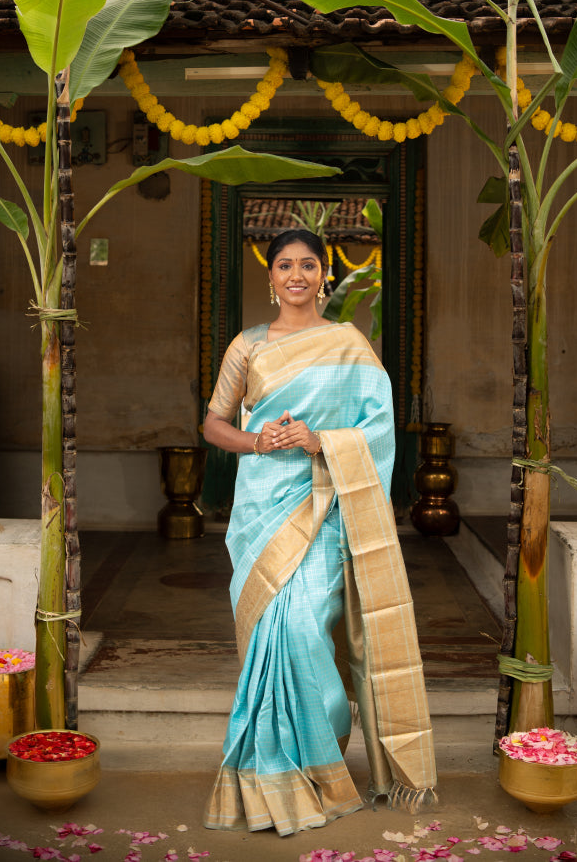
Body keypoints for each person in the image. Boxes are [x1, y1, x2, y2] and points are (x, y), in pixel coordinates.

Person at [202, 228, 436, 837]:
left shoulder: (349, 344)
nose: (297, 275)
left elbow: (379, 426)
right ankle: (282, 769)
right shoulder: (247, 347)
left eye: (309, 265)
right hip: (262, 509)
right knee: (266, 635)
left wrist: (320, 440)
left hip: (329, 504)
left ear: (324, 275)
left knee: (305, 627)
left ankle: (319, 750)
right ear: (271, 276)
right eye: (285, 265)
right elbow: (212, 424)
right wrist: (257, 441)